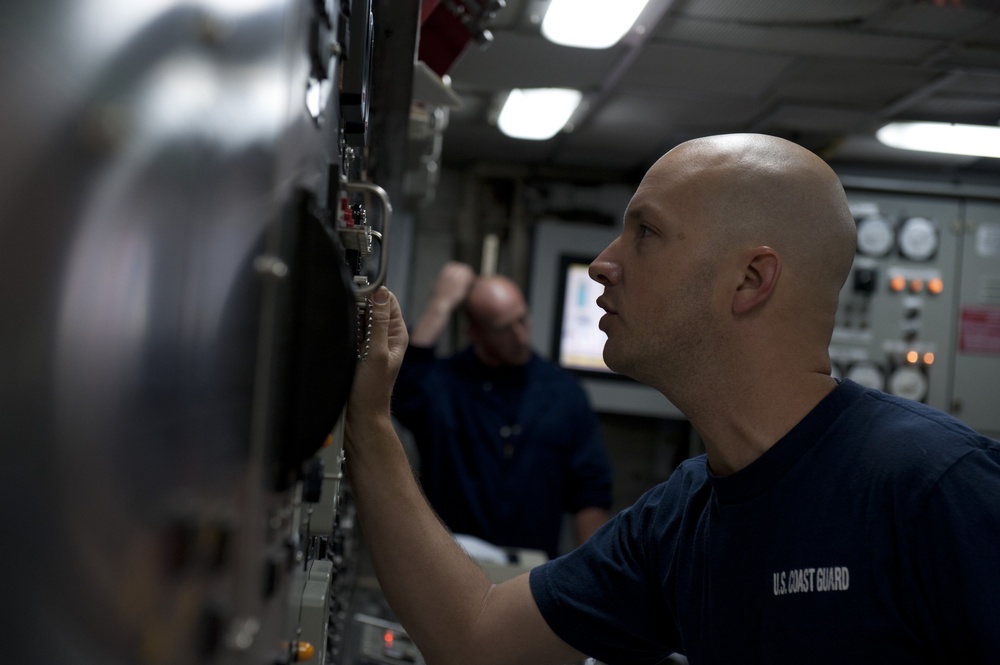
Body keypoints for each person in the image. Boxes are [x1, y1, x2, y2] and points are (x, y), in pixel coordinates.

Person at [344, 133, 1000, 664]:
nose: (603, 262)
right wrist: (369, 422)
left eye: (645, 233)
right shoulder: (681, 518)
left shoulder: (934, 488)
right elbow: (477, 638)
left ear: (749, 280)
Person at [391, 262, 613, 559]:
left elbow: (590, 491)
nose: (521, 336)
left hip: (529, 573)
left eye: (522, 320)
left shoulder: (563, 393)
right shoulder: (443, 386)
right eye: (504, 329)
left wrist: (595, 571)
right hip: (449, 562)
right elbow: (399, 391)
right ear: (475, 333)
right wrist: (440, 305)